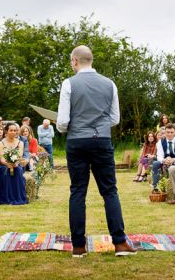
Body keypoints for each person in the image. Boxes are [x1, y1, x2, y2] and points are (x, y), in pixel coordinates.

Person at [56, 45, 135, 257]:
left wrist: (67, 127)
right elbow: (115, 119)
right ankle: (119, 243)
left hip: (77, 142)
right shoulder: (110, 84)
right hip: (101, 140)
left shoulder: (68, 83)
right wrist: (98, 125)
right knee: (109, 191)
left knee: (78, 192)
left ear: (75, 61)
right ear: (90, 60)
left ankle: (79, 247)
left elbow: (63, 122)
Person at [0, 122, 28, 205]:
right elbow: (2, 158)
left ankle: (18, 197)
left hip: (16, 164)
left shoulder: (20, 143)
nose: (13, 132)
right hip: (3, 165)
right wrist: (7, 164)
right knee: (5, 172)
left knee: (18, 171)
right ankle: (5, 198)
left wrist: (15, 163)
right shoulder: (1, 143)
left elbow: (20, 156)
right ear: (6, 131)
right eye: (11, 130)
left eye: (15, 130)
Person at [151, 124, 175, 192]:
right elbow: (159, 156)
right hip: (165, 160)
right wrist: (164, 160)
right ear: (165, 132)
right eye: (167, 132)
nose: (169, 134)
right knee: (155, 163)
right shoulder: (160, 142)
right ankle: (155, 186)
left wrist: (173, 160)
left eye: (171, 132)